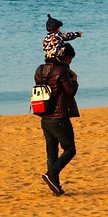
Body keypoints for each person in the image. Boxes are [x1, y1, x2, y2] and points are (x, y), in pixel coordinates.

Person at [34, 43, 80, 196]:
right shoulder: (61, 71)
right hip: (59, 117)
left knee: (51, 154)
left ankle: (56, 187)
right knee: (70, 149)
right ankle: (51, 175)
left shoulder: (40, 69)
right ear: (66, 57)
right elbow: (70, 91)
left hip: (44, 116)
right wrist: (74, 78)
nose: (70, 62)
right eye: (70, 59)